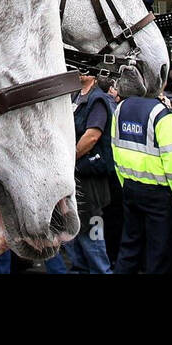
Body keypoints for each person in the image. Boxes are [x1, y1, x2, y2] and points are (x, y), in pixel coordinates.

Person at [110, 66, 172, 273]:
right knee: (159, 253)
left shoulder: (121, 108)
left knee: (129, 249)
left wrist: (125, 183)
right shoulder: (161, 115)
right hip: (159, 195)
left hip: (130, 187)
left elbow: (116, 148)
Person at [64, 69, 116, 273]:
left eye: (83, 70)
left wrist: (69, 157)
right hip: (75, 176)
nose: (77, 73)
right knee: (74, 234)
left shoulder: (98, 100)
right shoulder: (74, 95)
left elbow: (92, 136)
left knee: (92, 234)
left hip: (90, 179)